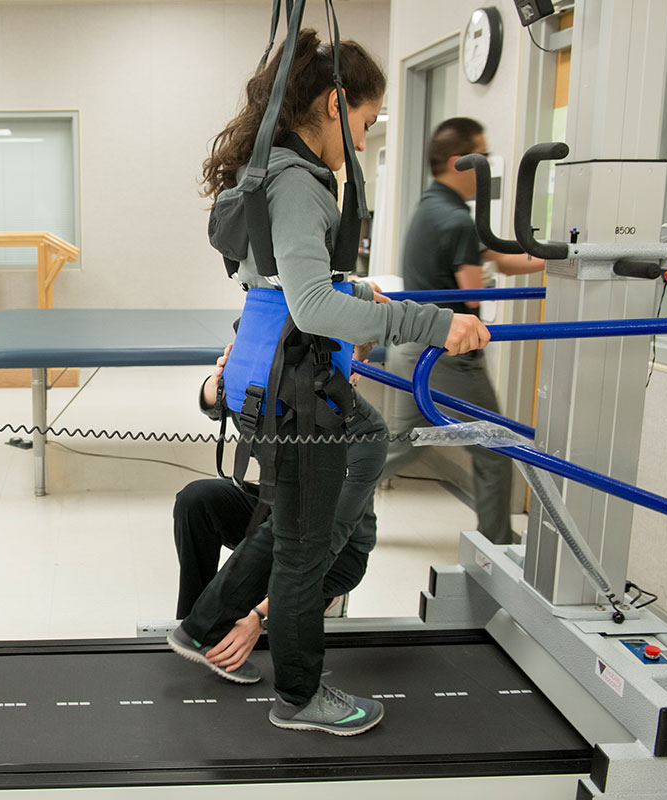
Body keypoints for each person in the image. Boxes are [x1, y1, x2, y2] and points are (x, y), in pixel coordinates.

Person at [167, 31, 490, 736]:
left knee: (303, 511)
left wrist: (357, 291)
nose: (366, 141)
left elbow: (293, 284)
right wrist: (433, 324)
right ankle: (301, 696)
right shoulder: (298, 182)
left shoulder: (273, 169)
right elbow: (312, 308)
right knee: (304, 544)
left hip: (272, 368)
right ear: (334, 105)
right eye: (368, 123)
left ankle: (201, 627)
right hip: (293, 382)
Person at [173, 345, 387, 677]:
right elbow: (215, 407)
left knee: (288, 532)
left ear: (359, 367)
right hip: (283, 515)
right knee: (198, 500)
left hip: (339, 550)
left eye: (347, 355)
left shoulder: (365, 431)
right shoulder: (286, 394)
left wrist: (256, 616)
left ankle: (229, 620)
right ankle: (198, 624)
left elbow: (328, 540)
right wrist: (223, 378)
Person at [379, 117, 542, 546]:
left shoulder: (432, 207)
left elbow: (504, 261)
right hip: (446, 357)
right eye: (483, 158)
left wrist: (562, 259)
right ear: (460, 162)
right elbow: (471, 299)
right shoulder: (457, 221)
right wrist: (481, 279)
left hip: (411, 348)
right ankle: (500, 545)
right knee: (495, 446)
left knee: (405, 444)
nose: (487, 167)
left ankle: (328, 493)